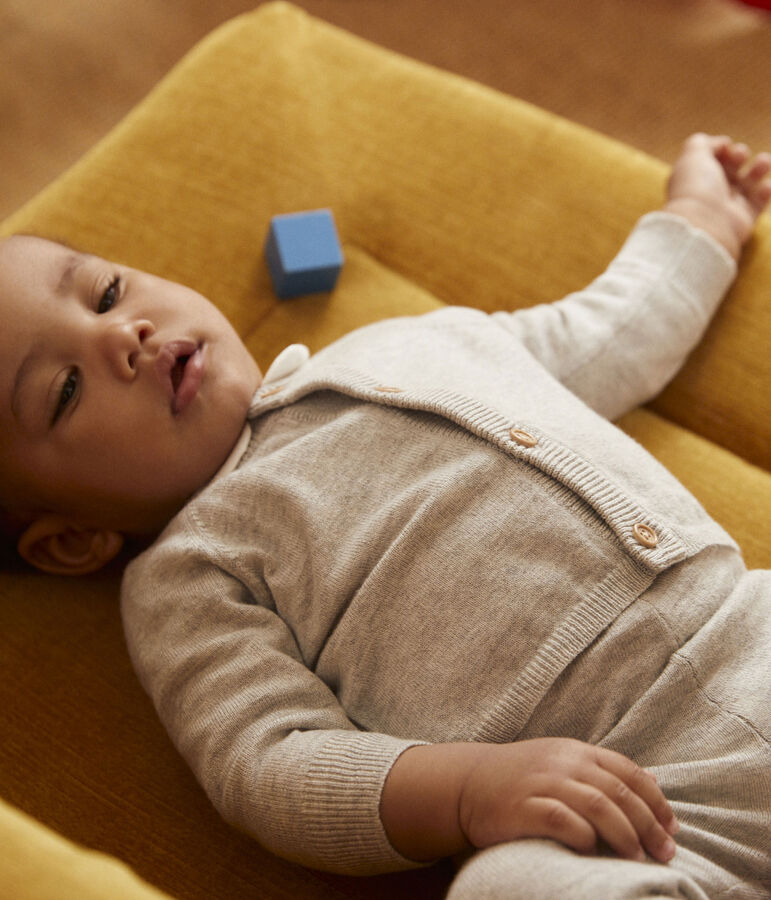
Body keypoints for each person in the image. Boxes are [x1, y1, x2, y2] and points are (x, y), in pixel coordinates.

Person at [0, 134, 769, 898]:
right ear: (73, 541)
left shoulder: (405, 345)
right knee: (501, 887)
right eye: (65, 391)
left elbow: (607, 331)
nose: (122, 336)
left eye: (107, 292)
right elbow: (269, 762)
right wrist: (468, 790)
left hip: (744, 636)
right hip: (634, 809)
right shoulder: (186, 578)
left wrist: (700, 219)